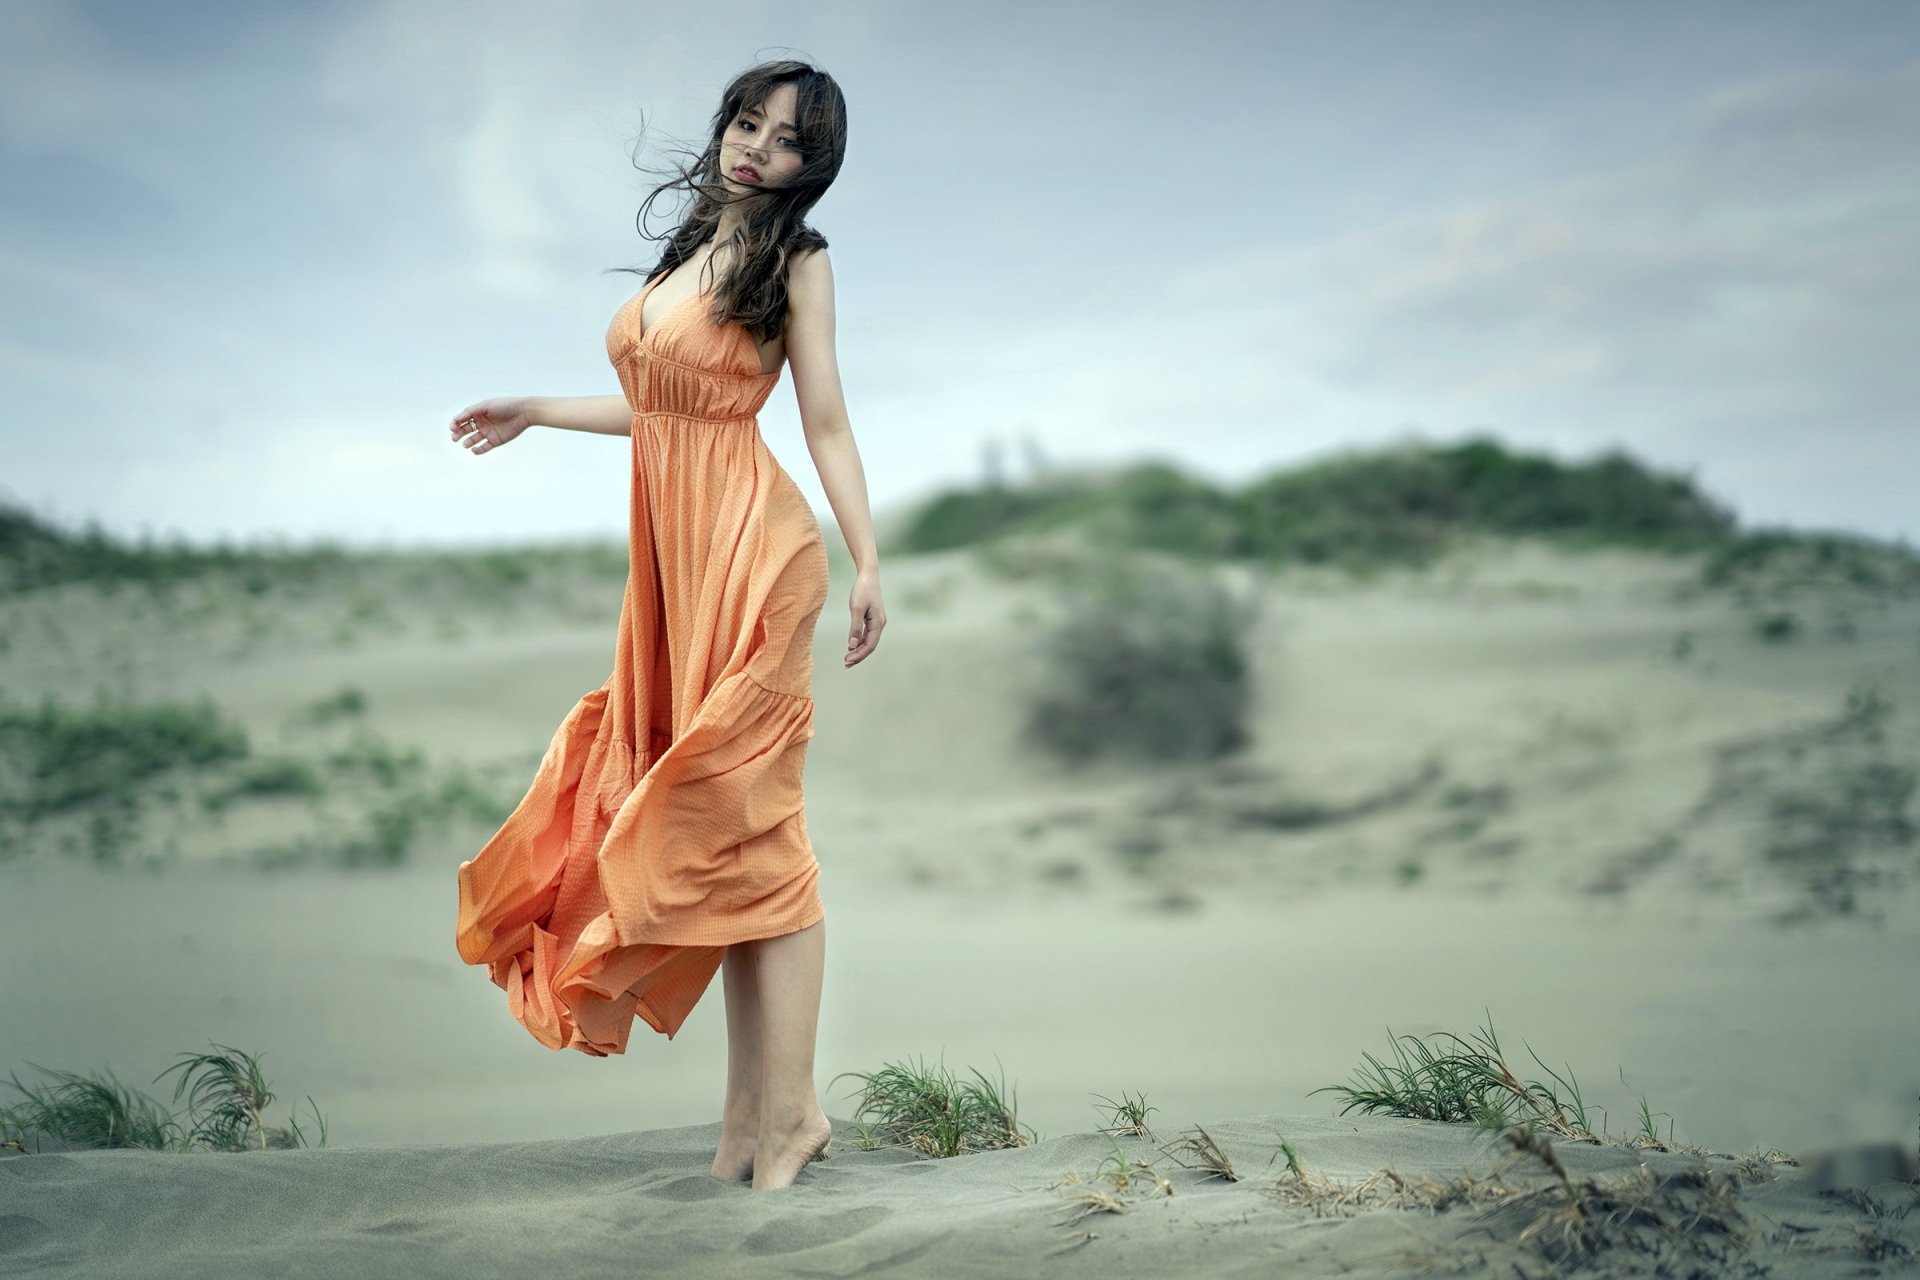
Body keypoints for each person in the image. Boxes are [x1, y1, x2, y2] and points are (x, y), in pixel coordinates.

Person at [446, 58, 885, 1192]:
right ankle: (751, 1119)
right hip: (675, 569)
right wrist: (536, 409)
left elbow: (824, 418)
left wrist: (870, 560)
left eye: (786, 140)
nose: (757, 147)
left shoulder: (800, 257)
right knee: (722, 853)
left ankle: (790, 1116)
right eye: (747, 123)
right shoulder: (693, 246)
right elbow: (660, 409)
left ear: (812, 165)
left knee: (758, 836)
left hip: (752, 553)